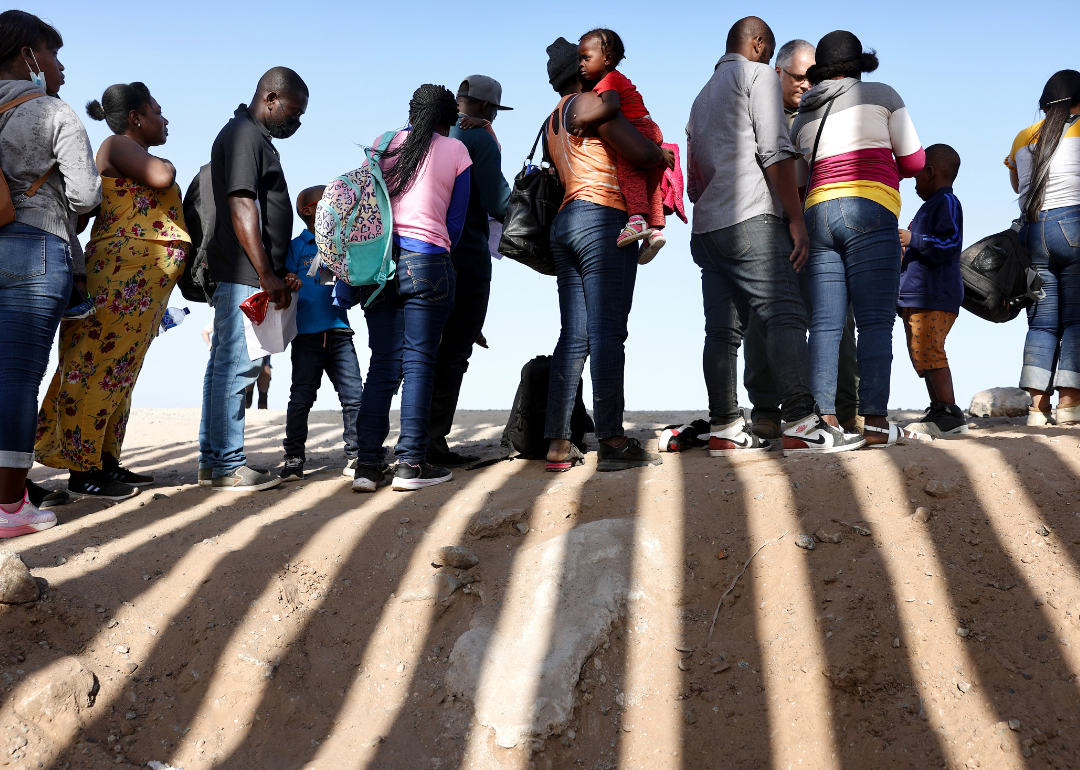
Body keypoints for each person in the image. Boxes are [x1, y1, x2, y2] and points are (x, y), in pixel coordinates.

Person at [686, 17, 864, 456]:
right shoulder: (758, 75)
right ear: (759, 44)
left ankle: (726, 426)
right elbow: (774, 150)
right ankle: (803, 422)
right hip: (752, 219)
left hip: (708, 226)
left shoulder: (701, 95)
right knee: (786, 315)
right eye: (768, 50)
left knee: (722, 334)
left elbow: (692, 181)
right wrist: (796, 218)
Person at [35, 81, 189, 500]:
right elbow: (162, 175)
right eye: (158, 110)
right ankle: (83, 471)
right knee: (96, 368)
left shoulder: (124, 149)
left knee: (119, 372)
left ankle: (104, 461)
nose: (165, 118)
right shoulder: (116, 144)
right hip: (118, 280)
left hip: (136, 287)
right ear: (136, 117)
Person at [791, 30, 928, 447]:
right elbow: (916, 161)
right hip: (869, 207)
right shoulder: (882, 94)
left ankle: (822, 423)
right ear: (858, 65)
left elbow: (799, 183)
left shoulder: (801, 115)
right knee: (873, 321)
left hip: (818, 213)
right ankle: (874, 422)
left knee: (826, 325)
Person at [542, 36, 671, 473]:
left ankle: (559, 443)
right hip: (602, 216)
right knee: (608, 330)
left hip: (565, 223)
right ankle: (612, 440)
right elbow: (640, 151)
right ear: (580, 72)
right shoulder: (591, 106)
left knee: (573, 336)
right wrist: (659, 153)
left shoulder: (550, 121)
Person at [0, 10, 100, 536]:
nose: (59, 68)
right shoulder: (50, 111)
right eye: (54, 55)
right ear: (29, 55)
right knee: (17, 376)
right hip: (35, 246)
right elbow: (86, 195)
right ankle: (10, 507)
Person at [350, 84, 472, 493]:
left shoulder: (382, 144)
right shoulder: (456, 151)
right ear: (447, 117)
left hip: (379, 265)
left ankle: (367, 466)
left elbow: (366, 207)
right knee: (420, 362)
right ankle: (410, 465)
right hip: (428, 261)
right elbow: (455, 223)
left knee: (383, 364)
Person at [741, 38, 861, 440]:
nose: (806, 86)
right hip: (771, 231)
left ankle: (845, 411)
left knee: (837, 318)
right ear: (777, 72)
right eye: (797, 78)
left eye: (813, 78)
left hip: (822, 231)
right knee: (765, 320)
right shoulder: (756, 112)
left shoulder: (827, 111)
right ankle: (766, 411)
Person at [199, 67, 307, 491]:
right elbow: (242, 203)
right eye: (293, 112)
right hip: (246, 272)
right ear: (271, 98)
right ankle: (228, 463)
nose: (296, 122)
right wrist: (266, 274)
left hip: (247, 270)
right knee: (239, 365)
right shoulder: (244, 134)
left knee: (224, 364)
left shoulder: (252, 136)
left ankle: (215, 459)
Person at [425, 75, 511, 468]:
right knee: (455, 351)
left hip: (424, 255)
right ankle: (432, 443)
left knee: (424, 351)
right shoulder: (480, 138)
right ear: (488, 108)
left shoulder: (430, 132)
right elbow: (498, 200)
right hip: (468, 255)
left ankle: (415, 439)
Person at [1007, 70, 1080, 426]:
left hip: (1033, 232)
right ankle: (1070, 404)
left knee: (1041, 323)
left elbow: (1017, 185)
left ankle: (1037, 408)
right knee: (1077, 319)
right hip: (1074, 226)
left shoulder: (1024, 137)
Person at [280, 185, 364, 480]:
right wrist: (288, 279)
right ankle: (293, 457)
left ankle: (356, 455)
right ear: (307, 211)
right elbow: (285, 278)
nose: (333, 204)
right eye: (325, 201)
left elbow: (334, 282)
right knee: (301, 398)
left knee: (354, 397)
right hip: (306, 336)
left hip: (339, 332)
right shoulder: (296, 247)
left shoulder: (339, 242)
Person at [568, 29, 667, 263]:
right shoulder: (616, 78)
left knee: (628, 170)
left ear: (607, 59)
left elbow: (611, 107)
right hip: (649, 126)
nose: (581, 64)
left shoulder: (607, 81)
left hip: (638, 128)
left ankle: (636, 220)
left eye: (586, 58)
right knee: (647, 178)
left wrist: (585, 118)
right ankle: (654, 229)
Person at [897, 144, 966, 436]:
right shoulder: (928, 206)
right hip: (915, 296)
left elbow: (949, 244)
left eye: (915, 178)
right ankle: (937, 409)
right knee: (921, 354)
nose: (913, 184)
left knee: (931, 351)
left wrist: (914, 239)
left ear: (930, 172)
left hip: (933, 296)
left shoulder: (947, 202)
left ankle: (950, 413)